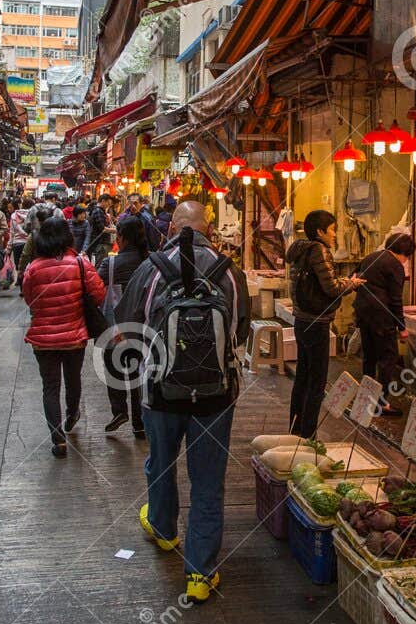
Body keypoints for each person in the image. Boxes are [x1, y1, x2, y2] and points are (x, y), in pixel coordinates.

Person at [115, 201, 249, 603]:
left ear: (171, 227)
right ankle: (201, 574)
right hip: (215, 395)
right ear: (209, 227)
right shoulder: (231, 271)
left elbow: (125, 326)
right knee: (208, 480)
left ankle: (163, 527)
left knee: (161, 460)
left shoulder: (151, 267)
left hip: (160, 391)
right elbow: (240, 332)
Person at [20, 214, 105, 457]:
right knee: (73, 377)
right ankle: (72, 412)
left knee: (50, 387)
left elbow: (29, 299)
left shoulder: (33, 268)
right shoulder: (79, 263)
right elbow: (98, 295)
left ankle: (57, 439)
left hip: (42, 339)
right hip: (74, 336)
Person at [284, 210, 366, 437]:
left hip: (301, 320)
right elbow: (330, 287)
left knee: (303, 377)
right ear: (320, 231)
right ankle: (308, 434)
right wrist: (351, 283)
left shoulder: (299, 250)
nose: (334, 235)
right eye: (332, 230)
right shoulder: (319, 250)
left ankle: (296, 428)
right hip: (317, 322)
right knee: (316, 381)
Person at [99, 214, 151, 436]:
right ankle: (140, 421)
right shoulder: (151, 262)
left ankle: (119, 410)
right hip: (146, 325)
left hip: (117, 326)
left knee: (113, 366)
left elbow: (95, 287)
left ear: (121, 237)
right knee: (141, 370)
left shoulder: (110, 264)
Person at [355, 233, 414, 418]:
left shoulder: (371, 257)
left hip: (363, 313)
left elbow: (355, 278)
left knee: (369, 357)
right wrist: (402, 327)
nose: (405, 262)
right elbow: (396, 300)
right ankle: (381, 403)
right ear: (404, 253)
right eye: (407, 257)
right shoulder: (395, 265)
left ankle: (366, 399)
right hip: (381, 317)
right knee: (388, 358)